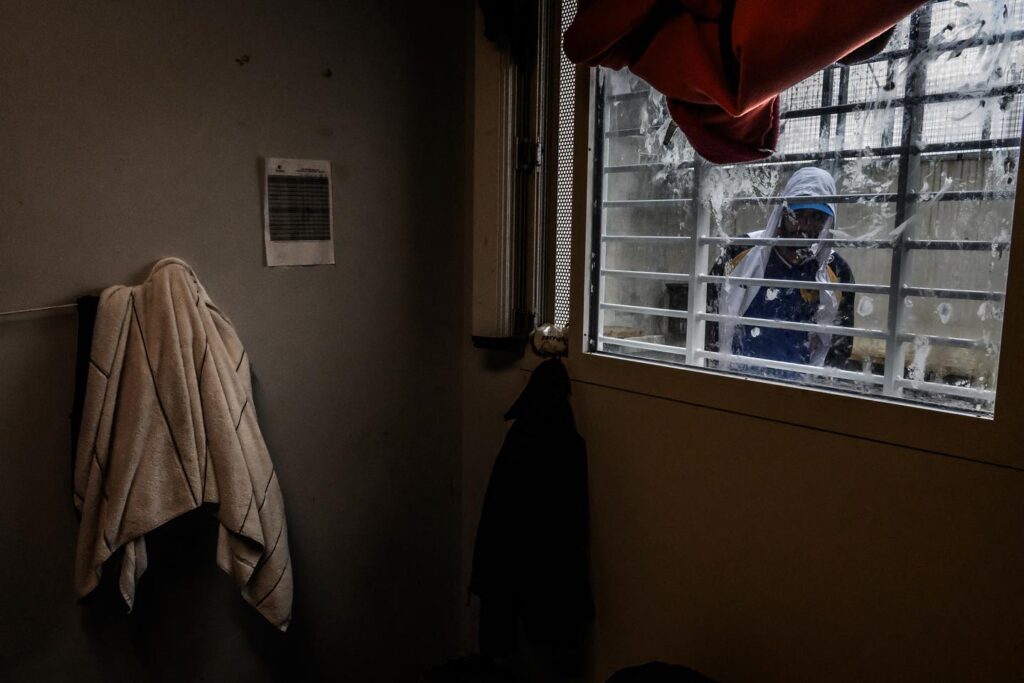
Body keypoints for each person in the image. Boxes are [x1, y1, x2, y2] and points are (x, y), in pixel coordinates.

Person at [706, 166, 856, 370]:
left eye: (817, 218)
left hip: (798, 385)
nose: (805, 225)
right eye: (798, 214)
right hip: (737, 378)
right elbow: (707, 317)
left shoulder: (837, 271)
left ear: (827, 223)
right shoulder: (740, 252)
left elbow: (840, 346)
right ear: (783, 213)